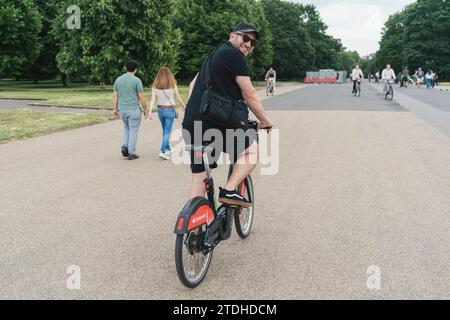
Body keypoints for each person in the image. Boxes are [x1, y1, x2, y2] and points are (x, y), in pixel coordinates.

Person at [182, 22, 273, 207]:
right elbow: (250, 94)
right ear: (232, 35)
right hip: (216, 123)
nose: (248, 44)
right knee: (251, 152)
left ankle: (195, 230)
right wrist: (265, 121)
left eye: (252, 43)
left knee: (199, 176)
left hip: (192, 124)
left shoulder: (212, 57)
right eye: (245, 38)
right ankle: (230, 190)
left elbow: (192, 86)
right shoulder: (234, 55)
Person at [147, 66, 186, 160]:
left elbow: (152, 99)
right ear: (169, 75)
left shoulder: (155, 86)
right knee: (167, 131)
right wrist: (184, 105)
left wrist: (150, 111)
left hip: (160, 110)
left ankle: (167, 148)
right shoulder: (173, 85)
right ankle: (163, 151)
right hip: (169, 110)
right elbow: (178, 97)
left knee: (165, 131)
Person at [113, 60, 148, 160]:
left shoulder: (118, 80)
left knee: (126, 128)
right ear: (135, 69)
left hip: (122, 109)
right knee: (133, 130)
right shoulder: (137, 80)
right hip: (133, 109)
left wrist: (115, 109)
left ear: (125, 68)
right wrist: (145, 109)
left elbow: (115, 95)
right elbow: (141, 97)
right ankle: (131, 153)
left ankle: (125, 146)